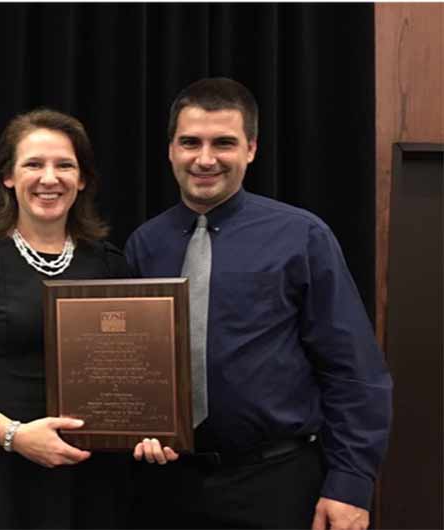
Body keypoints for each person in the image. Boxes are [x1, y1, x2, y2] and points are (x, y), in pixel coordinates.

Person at [124, 78, 392, 530]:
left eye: (223, 143)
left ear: (250, 149)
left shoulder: (302, 237)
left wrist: (350, 483)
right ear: (170, 149)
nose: (205, 158)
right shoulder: (144, 244)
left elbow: (353, 369)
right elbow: (129, 364)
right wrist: (135, 427)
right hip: (164, 486)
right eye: (190, 142)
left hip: (276, 483)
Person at [0, 109, 131, 529]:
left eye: (64, 165)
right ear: (8, 177)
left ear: (83, 178)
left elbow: (126, 372)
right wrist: (16, 436)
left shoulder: (110, 263)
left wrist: (150, 427)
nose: (49, 178)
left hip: (86, 477)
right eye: (33, 164)